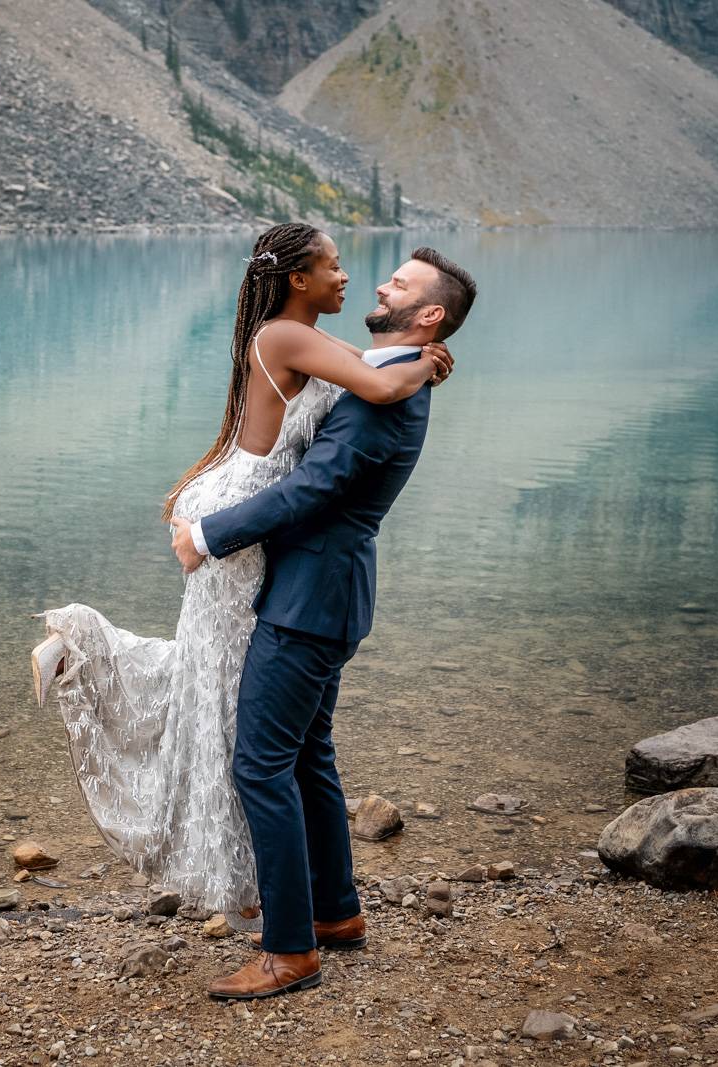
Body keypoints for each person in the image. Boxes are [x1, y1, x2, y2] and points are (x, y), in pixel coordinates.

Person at [30, 223, 454, 929]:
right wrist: (427, 364)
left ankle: (304, 913)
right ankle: (81, 646)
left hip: (248, 518)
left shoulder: (305, 339)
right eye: (334, 265)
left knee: (224, 688)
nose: (351, 278)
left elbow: (374, 371)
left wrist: (418, 360)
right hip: (237, 517)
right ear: (296, 279)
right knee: (223, 691)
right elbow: (379, 384)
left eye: (359, 270)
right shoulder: (285, 337)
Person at [170, 244, 478, 999]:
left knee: (260, 764)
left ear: (429, 313)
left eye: (399, 283)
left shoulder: (388, 394)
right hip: (327, 594)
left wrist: (206, 537)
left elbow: (311, 488)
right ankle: (336, 913)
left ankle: (288, 950)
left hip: (310, 601)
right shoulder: (392, 373)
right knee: (307, 754)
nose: (379, 282)